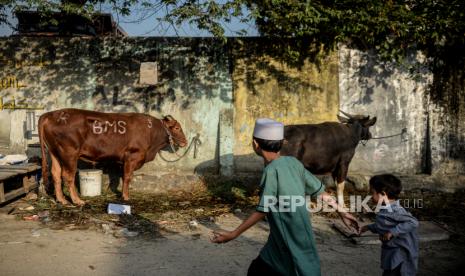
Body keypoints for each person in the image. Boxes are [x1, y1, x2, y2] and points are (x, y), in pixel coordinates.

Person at [211, 118, 359, 276]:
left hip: (288, 236)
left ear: (255, 144)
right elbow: (321, 192)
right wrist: (342, 212)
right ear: (282, 143)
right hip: (297, 234)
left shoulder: (270, 171)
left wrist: (234, 233)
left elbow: (263, 210)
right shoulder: (293, 163)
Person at [359, 174, 419, 276]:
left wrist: (393, 232)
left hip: (400, 253)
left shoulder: (396, 211)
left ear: (383, 194)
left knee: (395, 272)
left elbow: (413, 222)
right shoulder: (385, 209)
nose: (369, 196)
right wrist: (368, 227)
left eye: (372, 193)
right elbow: (384, 224)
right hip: (391, 251)